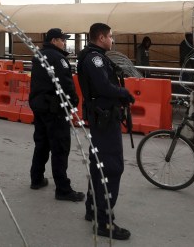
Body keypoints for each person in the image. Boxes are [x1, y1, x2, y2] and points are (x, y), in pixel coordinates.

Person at [77, 23, 134, 240]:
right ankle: (104, 222)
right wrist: (124, 93)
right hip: (104, 119)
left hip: (102, 117)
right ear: (101, 37)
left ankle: (93, 208)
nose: (112, 40)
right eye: (110, 36)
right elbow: (103, 87)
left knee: (99, 165)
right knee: (111, 168)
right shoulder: (95, 58)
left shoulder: (93, 56)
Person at [28, 28, 85, 202]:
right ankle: (63, 189)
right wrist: (73, 102)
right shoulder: (58, 58)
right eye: (62, 39)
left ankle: (36, 179)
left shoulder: (38, 55)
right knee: (60, 148)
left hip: (39, 106)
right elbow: (66, 84)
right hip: (55, 109)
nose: (64, 42)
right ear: (54, 41)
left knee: (42, 143)